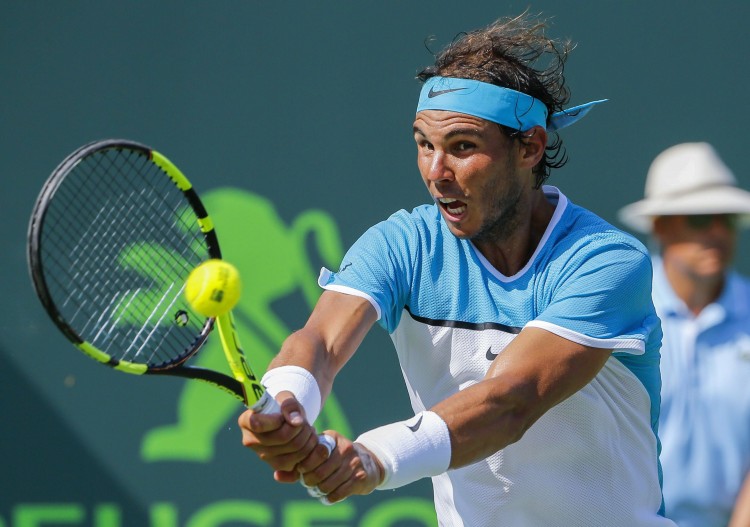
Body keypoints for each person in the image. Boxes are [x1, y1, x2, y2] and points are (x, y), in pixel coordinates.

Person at [239, 14, 675, 526]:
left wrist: (375, 458)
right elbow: (323, 341)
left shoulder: (605, 261)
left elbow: (510, 402)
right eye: (424, 144)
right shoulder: (403, 243)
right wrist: (290, 398)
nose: (435, 171)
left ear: (530, 148)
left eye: (463, 147)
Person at [618, 142, 750, 527]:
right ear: (660, 226)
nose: (715, 232)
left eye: (724, 219)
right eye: (697, 219)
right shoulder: (620, 311)